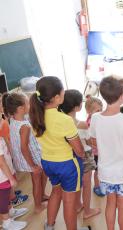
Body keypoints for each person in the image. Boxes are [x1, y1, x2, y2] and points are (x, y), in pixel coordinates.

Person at [29, 76, 89, 230]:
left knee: (56, 192)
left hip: (48, 162)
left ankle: (49, 225)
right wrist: (83, 155)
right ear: (56, 97)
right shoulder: (64, 119)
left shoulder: (35, 115)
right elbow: (79, 150)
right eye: (62, 91)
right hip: (68, 164)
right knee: (69, 202)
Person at [89, 76, 123, 230]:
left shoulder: (96, 118)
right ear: (122, 97)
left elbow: (93, 142)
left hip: (105, 172)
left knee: (110, 203)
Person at [59, 89, 101, 220]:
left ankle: (77, 205)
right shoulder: (81, 124)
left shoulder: (60, 121)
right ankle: (87, 211)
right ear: (77, 107)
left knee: (77, 182)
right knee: (87, 184)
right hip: (84, 155)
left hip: (69, 156)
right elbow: (89, 141)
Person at [5, 93, 48, 213]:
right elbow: (24, 148)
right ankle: (38, 206)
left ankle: (42, 195)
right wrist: (33, 166)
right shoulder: (24, 126)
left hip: (30, 156)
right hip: (31, 159)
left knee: (43, 175)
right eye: (27, 103)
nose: (29, 105)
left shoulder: (13, 119)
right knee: (36, 181)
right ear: (20, 108)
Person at [84, 95, 104, 197]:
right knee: (97, 170)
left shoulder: (94, 119)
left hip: (99, 150)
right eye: (97, 110)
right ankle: (97, 186)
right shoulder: (91, 122)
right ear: (89, 112)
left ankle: (100, 183)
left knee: (100, 169)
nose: (100, 111)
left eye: (101, 109)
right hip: (96, 151)